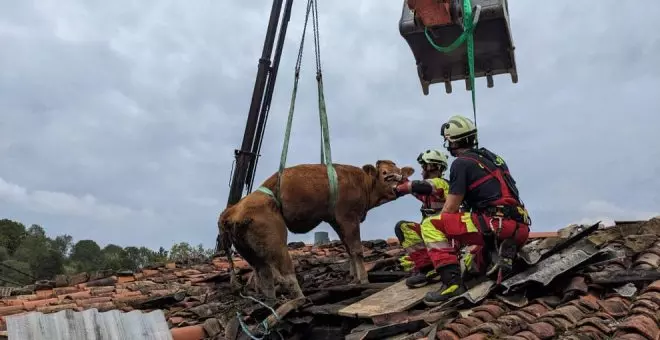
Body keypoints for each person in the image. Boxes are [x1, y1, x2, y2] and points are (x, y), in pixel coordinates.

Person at [392, 115, 531, 306]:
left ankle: (451, 284)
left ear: (451, 140)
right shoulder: (494, 159)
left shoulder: (460, 164)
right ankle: (497, 253)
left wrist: (397, 188)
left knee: (432, 224)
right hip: (520, 226)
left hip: (494, 223)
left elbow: (449, 208)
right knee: (475, 261)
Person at [392, 149, 450, 288]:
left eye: (423, 166)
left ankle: (433, 269)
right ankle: (427, 267)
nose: (422, 171)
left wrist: (400, 188)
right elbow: (419, 191)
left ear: (430, 166)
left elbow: (421, 186)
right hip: (435, 236)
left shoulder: (441, 183)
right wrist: (401, 179)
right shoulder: (429, 192)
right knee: (404, 227)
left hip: (446, 237)